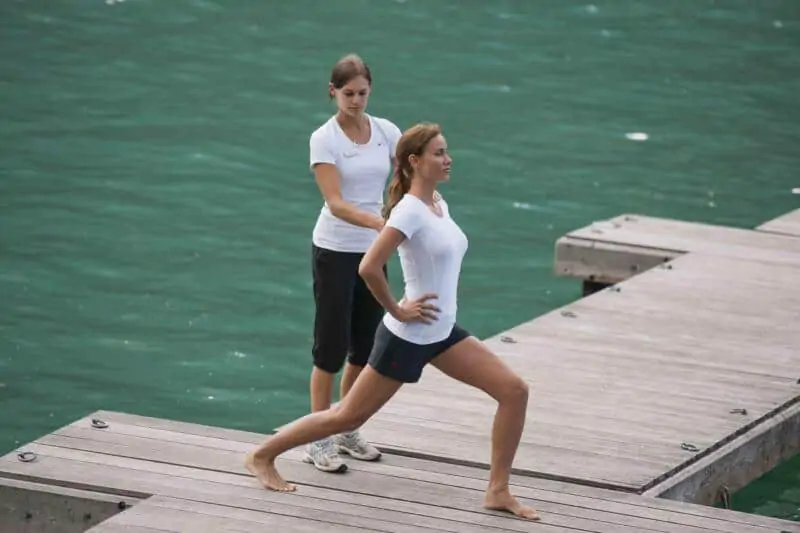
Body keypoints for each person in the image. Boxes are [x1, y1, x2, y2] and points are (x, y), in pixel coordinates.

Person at [247, 122, 539, 520]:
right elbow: (369, 266)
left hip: (441, 332)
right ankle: (263, 455)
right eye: (438, 153)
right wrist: (397, 309)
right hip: (408, 335)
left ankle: (498, 490)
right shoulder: (409, 212)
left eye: (446, 151)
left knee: (514, 391)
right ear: (415, 162)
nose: (448, 159)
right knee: (346, 416)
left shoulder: (437, 202)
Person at [302, 53, 402, 473]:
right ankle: (317, 437)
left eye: (362, 93)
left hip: (374, 251)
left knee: (364, 346)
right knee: (329, 349)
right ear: (333, 92)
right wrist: (381, 220)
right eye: (348, 94)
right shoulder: (324, 139)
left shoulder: (387, 131)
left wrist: (405, 209)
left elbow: (403, 178)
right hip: (336, 249)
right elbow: (336, 203)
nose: (356, 100)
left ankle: (346, 426)